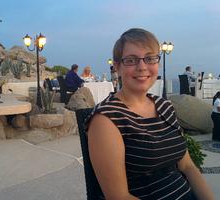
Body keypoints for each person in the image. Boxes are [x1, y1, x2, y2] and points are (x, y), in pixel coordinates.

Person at [86, 28, 214, 200]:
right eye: (131, 60)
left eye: (150, 58)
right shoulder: (106, 119)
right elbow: (118, 196)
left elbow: (187, 166)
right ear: (117, 67)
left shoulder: (164, 106)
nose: (142, 67)